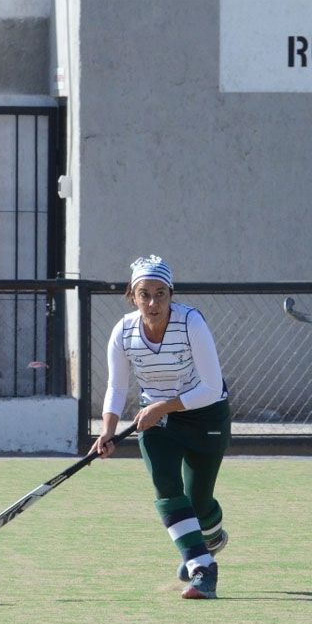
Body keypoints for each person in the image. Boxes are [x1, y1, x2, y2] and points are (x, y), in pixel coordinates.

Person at [91, 255, 230, 600]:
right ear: (132, 296)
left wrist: (164, 406)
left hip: (206, 414)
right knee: (167, 488)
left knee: (198, 506)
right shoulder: (123, 332)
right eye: (144, 294)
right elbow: (117, 386)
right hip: (157, 420)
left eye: (160, 294)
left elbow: (211, 388)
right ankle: (202, 568)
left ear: (171, 294)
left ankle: (206, 538)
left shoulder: (191, 323)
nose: (152, 303)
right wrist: (108, 429)